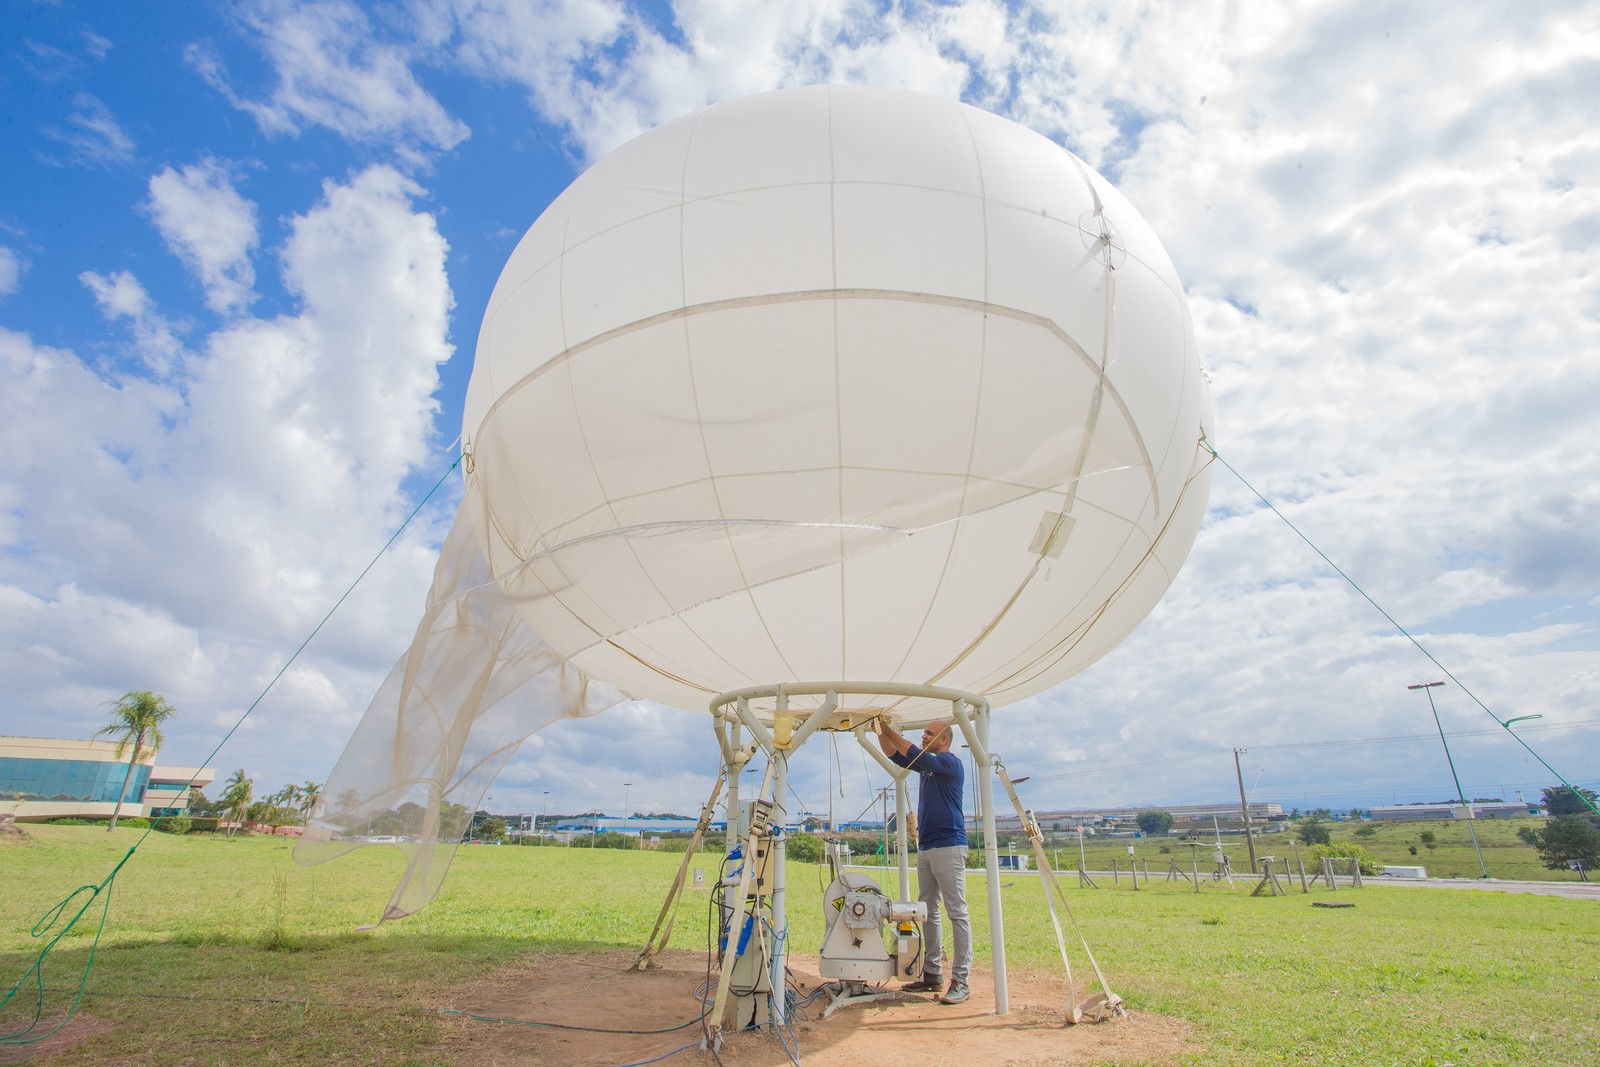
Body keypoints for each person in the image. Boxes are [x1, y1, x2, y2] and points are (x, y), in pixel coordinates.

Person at [875, 716, 970, 1005]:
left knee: (957, 912)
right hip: (928, 845)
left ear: (944, 739)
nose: (923, 737)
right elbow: (895, 754)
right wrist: (879, 731)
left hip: (949, 845)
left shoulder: (949, 764)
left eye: (929, 733)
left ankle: (962, 981)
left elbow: (913, 753)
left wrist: (890, 729)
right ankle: (932, 973)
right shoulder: (928, 768)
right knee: (928, 910)